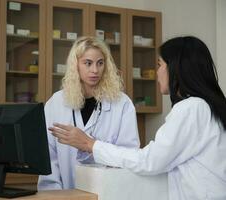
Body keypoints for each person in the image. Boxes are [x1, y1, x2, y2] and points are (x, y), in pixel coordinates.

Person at [50, 36, 226, 199]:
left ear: (175, 68)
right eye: (87, 63)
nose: (157, 72)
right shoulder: (205, 106)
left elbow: (149, 161)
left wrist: (90, 144)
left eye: (159, 64)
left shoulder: (191, 109)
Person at [38, 36, 140, 190]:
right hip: (63, 195)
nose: (95, 70)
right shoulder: (56, 103)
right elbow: (49, 158)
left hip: (107, 193)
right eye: (88, 63)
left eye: (100, 63)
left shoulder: (121, 104)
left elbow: (129, 156)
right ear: (76, 65)